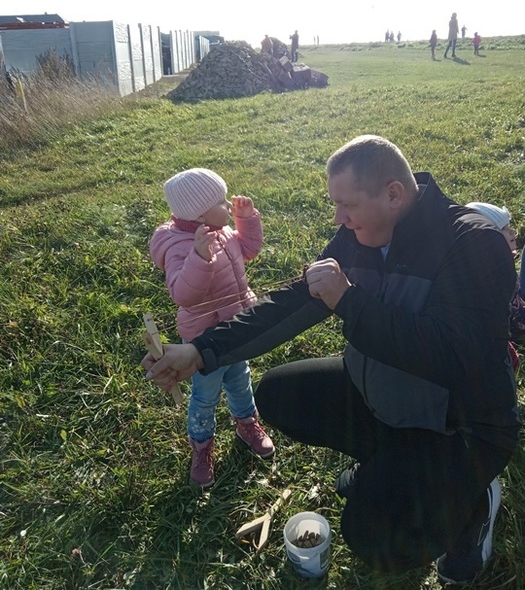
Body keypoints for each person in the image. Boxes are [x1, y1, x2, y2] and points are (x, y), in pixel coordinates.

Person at [142, 136, 518, 584]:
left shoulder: (473, 243)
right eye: (335, 204)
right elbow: (295, 299)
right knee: (278, 394)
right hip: (384, 394)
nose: (338, 218)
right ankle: (387, 462)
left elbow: (455, 356)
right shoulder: (360, 235)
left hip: (457, 426)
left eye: (346, 205)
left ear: (393, 194)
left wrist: (351, 302)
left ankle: (472, 506)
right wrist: (201, 351)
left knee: (374, 539)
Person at [148, 168, 274, 487]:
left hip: (236, 328)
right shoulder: (180, 246)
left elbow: (249, 250)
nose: (228, 205)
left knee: (240, 380)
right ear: (199, 214)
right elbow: (182, 294)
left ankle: (246, 422)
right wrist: (199, 258)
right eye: (221, 201)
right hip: (203, 339)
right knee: (206, 395)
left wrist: (246, 220)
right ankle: (202, 445)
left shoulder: (223, 230)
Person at [466, 202, 524, 358]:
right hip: (515, 323)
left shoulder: (491, 263)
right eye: (504, 228)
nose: (512, 232)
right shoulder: (493, 273)